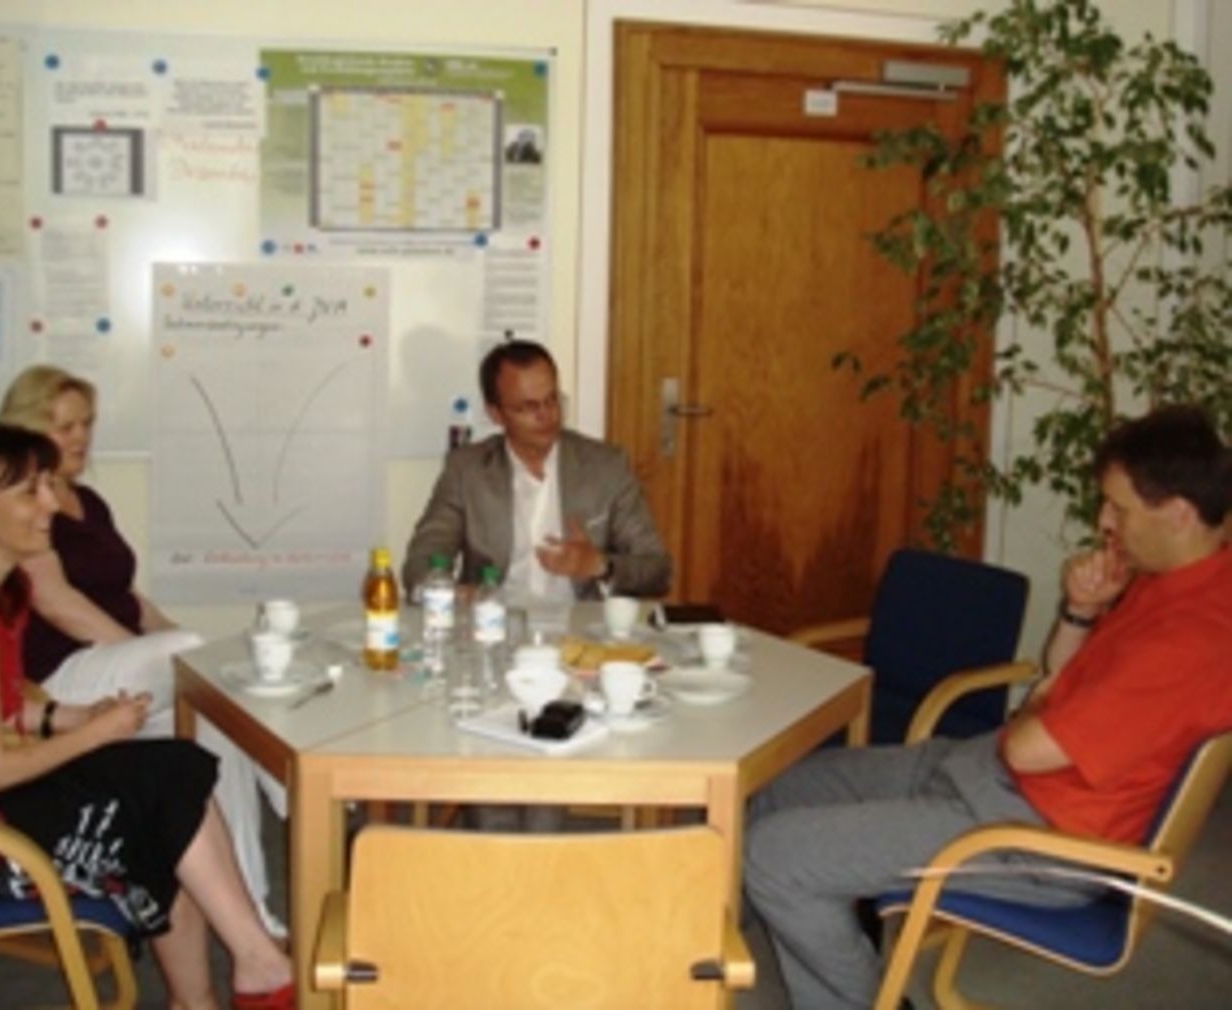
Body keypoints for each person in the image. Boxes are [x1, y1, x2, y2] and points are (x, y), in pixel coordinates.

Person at [744, 404, 1232, 1010]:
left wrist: (1044, 708)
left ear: (1178, 513)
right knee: (780, 790)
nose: (1104, 522)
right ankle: (722, 944)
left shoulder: (1195, 639)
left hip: (1037, 836)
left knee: (776, 854)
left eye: (1118, 508)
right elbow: (1058, 680)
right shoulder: (1174, 579)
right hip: (992, 772)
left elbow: (1030, 745)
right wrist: (1081, 612)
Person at [0, 425, 293, 1010]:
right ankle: (255, 968)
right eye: (29, 492)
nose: (51, 503)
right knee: (161, 801)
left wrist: (75, 717)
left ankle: (232, 979)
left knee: (174, 772)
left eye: (48, 486)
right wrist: (97, 734)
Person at [0, 364, 286, 935]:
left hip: (118, 663)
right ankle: (291, 789)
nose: (80, 437)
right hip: (61, 680)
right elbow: (56, 602)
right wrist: (162, 654)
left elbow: (128, 596)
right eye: (64, 426)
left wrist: (185, 646)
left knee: (216, 734)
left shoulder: (89, 502)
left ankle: (254, 912)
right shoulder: (23, 506)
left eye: (86, 423)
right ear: (26, 428)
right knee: (196, 671)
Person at [402, 339, 671, 603]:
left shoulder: (606, 466)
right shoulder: (467, 470)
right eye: (528, 407)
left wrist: (601, 565)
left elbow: (658, 570)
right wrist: (454, 595)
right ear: (495, 414)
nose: (546, 415)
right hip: (493, 620)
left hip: (578, 624)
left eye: (552, 400)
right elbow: (423, 558)